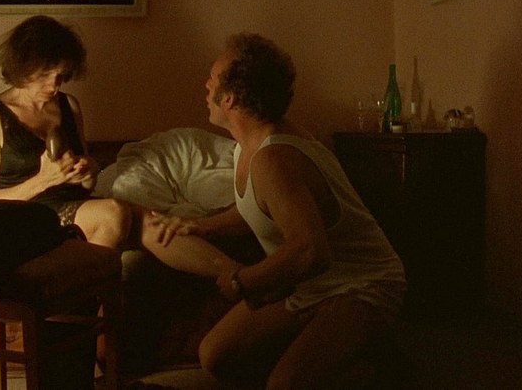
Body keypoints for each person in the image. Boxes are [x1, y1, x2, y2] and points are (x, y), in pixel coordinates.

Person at [142, 33, 406, 389]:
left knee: (284, 385)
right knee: (215, 355)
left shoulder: (275, 157)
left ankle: (371, 363)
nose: (206, 85)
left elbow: (311, 251)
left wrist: (243, 280)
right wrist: (202, 227)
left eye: (213, 79)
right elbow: (258, 208)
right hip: (310, 286)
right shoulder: (248, 144)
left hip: (360, 284)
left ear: (230, 98)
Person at [0, 15, 133, 249]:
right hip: (20, 215)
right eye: (45, 74)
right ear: (23, 68)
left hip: (73, 208)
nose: (54, 85)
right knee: (114, 213)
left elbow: (85, 187)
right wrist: (44, 180)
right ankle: (84, 272)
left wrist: (87, 174)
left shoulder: (69, 106)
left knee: (151, 222)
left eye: (61, 75)